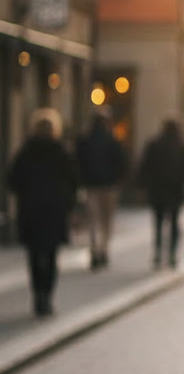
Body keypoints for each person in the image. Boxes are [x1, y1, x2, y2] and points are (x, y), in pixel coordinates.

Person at [7, 108, 80, 317]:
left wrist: (25, 193)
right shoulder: (61, 152)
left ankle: (37, 294)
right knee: (51, 253)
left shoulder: (26, 152)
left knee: (33, 254)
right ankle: (47, 296)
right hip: (55, 211)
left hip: (31, 210)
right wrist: (68, 202)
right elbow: (74, 180)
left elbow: (12, 180)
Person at [75, 108, 127, 269]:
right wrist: (119, 180)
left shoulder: (84, 141)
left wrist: (80, 182)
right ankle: (103, 249)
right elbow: (122, 162)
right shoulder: (112, 141)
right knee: (106, 220)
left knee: (93, 220)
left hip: (90, 186)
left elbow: (77, 163)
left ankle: (95, 248)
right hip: (109, 186)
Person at [138, 116, 184, 269]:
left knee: (158, 222)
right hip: (175, 189)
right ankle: (172, 254)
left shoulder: (155, 144)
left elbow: (145, 166)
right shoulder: (182, 145)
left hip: (158, 189)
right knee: (174, 222)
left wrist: (143, 186)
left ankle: (158, 252)